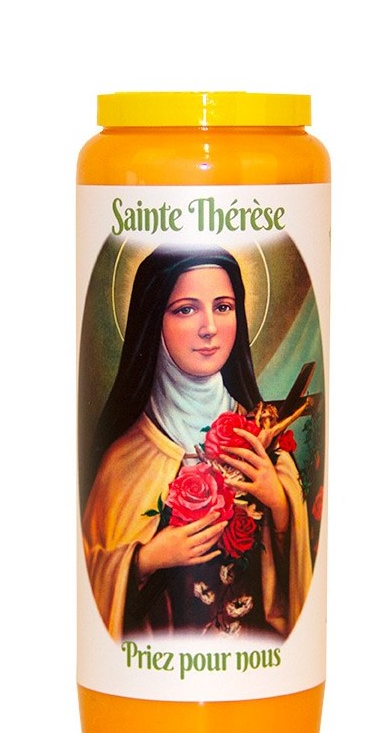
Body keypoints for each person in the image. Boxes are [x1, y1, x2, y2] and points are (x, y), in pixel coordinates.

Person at [82, 245, 312, 640]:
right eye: (186, 309)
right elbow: (89, 576)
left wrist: (278, 501)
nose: (209, 328)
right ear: (154, 320)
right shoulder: (123, 462)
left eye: (223, 307)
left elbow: (297, 596)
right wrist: (145, 559)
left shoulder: (262, 441)